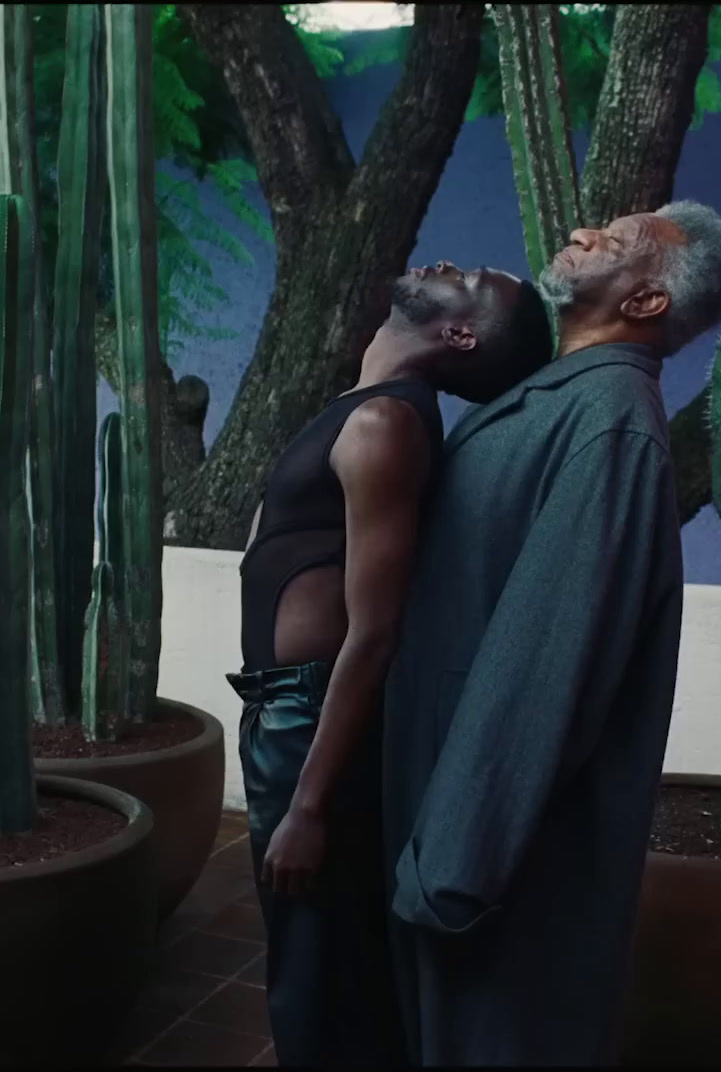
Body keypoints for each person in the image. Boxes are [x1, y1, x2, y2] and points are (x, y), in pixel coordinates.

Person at [381, 201, 721, 1066]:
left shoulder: (610, 424)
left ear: (648, 303)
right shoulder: (556, 395)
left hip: (483, 860)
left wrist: (456, 865)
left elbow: (548, 654)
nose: (582, 234)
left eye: (613, 243)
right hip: (437, 804)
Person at [226, 262, 556, 1067]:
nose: (454, 267)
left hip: (310, 721)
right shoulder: (364, 408)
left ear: (460, 334)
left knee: (318, 961)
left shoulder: (387, 425)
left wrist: (312, 804)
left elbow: (375, 632)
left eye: (474, 283)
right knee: (311, 949)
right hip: (285, 710)